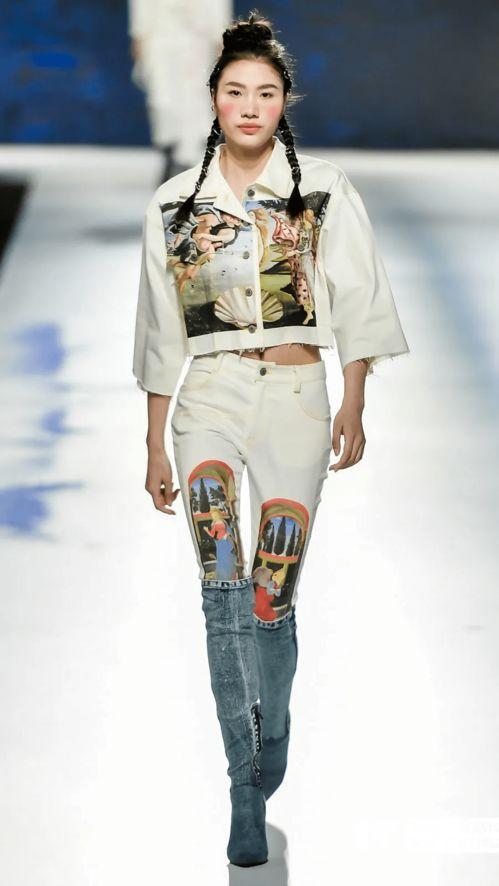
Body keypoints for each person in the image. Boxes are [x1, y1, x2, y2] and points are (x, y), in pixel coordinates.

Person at [132, 10, 410, 868]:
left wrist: (352, 398)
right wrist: (154, 442)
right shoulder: (175, 203)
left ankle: (272, 724)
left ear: (283, 102)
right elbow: (159, 327)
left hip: (296, 398)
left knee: (268, 597)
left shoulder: (320, 189)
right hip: (208, 400)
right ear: (212, 100)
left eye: (264, 92)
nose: (248, 106)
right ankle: (242, 787)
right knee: (221, 585)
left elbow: (358, 292)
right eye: (233, 91)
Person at [127, 0, 233, 181]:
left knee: (197, 99)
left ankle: (195, 162)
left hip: (197, 37)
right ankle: (171, 155)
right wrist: (139, 33)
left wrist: (220, 35)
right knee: (162, 100)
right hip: (161, 35)